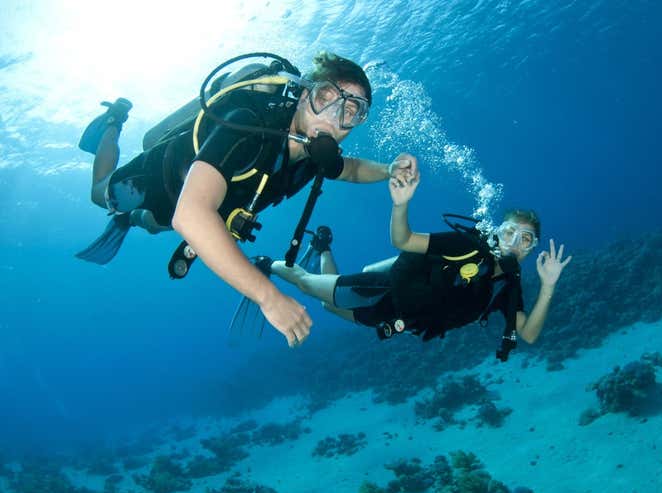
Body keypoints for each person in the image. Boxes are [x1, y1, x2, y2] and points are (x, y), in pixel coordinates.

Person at [76, 51, 419, 347]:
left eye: (352, 111)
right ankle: (112, 122)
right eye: (327, 97)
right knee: (99, 195)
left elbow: (349, 168)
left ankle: (136, 218)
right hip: (162, 176)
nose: (334, 117)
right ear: (303, 95)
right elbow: (191, 215)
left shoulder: (316, 151)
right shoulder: (250, 125)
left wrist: (389, 169)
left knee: (153, 225)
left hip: (195, 205)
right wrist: (268, 297)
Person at [267, 170, 572, 361]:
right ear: (497, 231)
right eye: (509, 232)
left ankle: (322, 247)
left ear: (532, 249)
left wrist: (548, 285)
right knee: (308, 284)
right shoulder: (465, 246)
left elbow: (529, 334)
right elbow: (404, 240)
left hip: (394, 319)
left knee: (326, 306)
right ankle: (267, 265)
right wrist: (401, 203)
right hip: (381, 292)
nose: (514, 242)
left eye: (526, 239)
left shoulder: (507, 286)